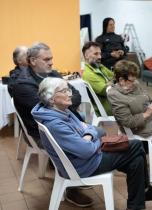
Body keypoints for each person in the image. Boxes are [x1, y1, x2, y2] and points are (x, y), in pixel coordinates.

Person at [31, 77, 152, 210]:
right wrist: (90, 135)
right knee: (136, 146)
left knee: (135, 159)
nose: (70, 94)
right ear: (51, 99)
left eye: (68, 89)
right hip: (83, 165)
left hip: (83, 158)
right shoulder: (55, 123)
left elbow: (93, 129)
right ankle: (142, 195)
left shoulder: (57, 111)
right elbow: (87, 148)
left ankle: (138, 202)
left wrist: (88, 135)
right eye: (64, 91)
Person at [9, 42, 92, 207]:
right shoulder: (23, 84)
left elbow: (75, 95)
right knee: (75, 142)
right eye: (46, 59)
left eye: (51, 58)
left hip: (62, 123)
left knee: (86, 134)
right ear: (32, 61)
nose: (51, 62)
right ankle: (72, 187)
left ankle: (79, 172)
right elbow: (47, 111)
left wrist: (64, 100)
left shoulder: (52, 74)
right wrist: (66, 101)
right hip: (40, 132)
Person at [107, 60, 152, 138]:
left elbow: (146, 96)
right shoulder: (114, 95)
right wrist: (147, 114)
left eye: (135, 79)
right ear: (121, 80)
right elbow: (128, 121)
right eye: (132, 81)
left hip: (151, 118)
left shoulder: (135, 84)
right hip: (140, 129)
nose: (135, 82)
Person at [82, 41, 114, 115]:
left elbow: (116, 77)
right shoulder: (88, 74)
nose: (100, 57)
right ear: (86, 56)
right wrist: (111, 83)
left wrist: (110, 83)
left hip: (114, 103)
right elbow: (108, 91)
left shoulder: (99, 67)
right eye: (96, 54)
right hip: (108, 111)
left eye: (100, 53)